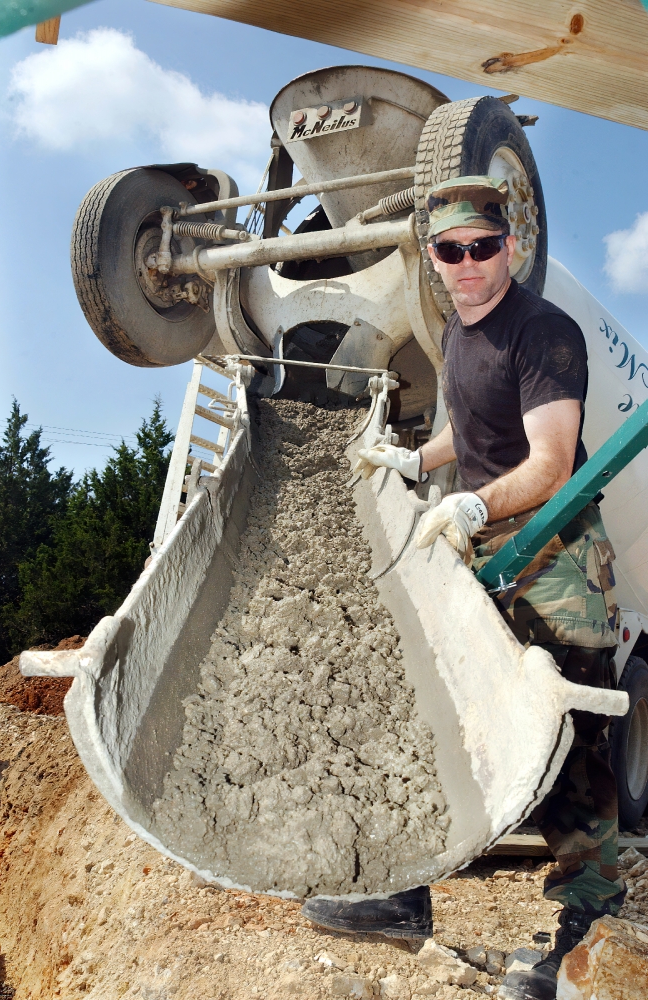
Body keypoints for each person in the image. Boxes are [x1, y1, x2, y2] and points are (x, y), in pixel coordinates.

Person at [302, 176, 625, 1000]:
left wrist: (477, 501)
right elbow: (473, 422)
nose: (468, 263)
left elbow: (550, 460)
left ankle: (588, 937)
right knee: (441, 710)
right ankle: (404, 892)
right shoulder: (452, 332)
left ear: (507, 248)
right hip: (485, 549)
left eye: (483, 247)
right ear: (435, 261)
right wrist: (423, 460)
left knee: (568, 752)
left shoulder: (543, 332)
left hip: (556, 568)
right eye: (451, 251)